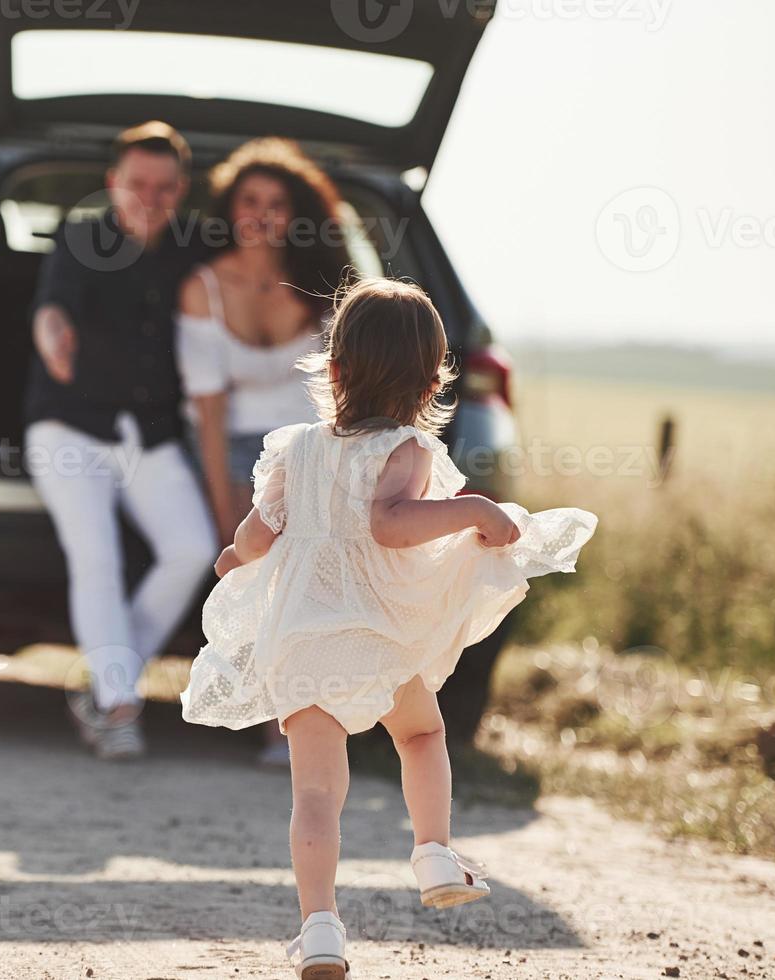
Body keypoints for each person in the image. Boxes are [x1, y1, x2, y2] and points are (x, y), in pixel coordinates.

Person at [179, 278, 597, 977]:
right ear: (433, 381)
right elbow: (390, 525)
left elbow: (257, 535)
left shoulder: (296, 449)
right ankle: (433, 851)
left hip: (302, 640)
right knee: (421, 733)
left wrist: (230, 557)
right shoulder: (406, 450)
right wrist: (472, 511)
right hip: (375, 635)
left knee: (314, 794)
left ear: (333, 370)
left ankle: (319, 928)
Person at [25, 121, 216, 761]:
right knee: (97, 557)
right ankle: (118, 705)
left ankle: (109, 684)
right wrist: (53, 337)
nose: (150, 197)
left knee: (193, 548)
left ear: (181, 189)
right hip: (68, 426)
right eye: (137, 184)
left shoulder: (195, 250)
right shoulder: (81, 238)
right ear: (114, 183)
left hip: (152, 433)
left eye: (165, 187)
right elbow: (52, 308)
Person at [175, 138, 351, 769]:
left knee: (311, 578)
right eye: (250, 200)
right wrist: (224, 503)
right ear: (230, 208)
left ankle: (298, 720)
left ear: (297, 212)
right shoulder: (203, 288)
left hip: (314, 451)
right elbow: (208, 411)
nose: (262, 213)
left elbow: (346, 387)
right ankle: (261, 712)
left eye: (277, 203)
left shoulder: (326, 282)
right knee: (259, 575)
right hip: (237, 451)